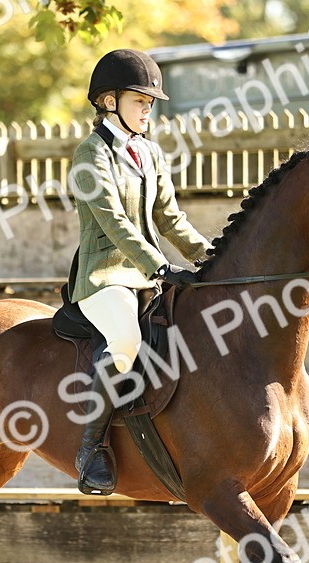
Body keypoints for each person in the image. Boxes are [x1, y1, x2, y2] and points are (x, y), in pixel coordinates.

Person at [69, 48, 211, 496]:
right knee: (127, 342)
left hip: (148, 275)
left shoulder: (149, 152)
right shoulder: (89, 155)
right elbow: (116, 224)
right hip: (105, 277)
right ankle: (90, 449)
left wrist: (211, 258)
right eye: (139, 100)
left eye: (151, 102)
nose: (148, 108)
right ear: (108, 101)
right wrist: (162, 266)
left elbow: (171, 219)